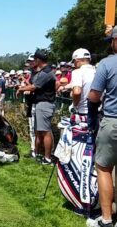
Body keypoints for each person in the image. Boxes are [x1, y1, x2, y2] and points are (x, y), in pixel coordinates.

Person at [87, 26, 117, 227]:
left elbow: (93, 96)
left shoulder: (107, 64)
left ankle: (106, 219)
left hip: (113, 120)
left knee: (104, 168)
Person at [17, 49, 56, 165]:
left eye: (34, 59)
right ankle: (37, 153)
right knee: (39, 131)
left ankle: (47, 158)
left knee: (45, 131)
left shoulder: (46, 72)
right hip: (41, 103)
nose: (33, 61)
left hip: (45, 103)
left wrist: (20, 88)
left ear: (38, 60)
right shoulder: (43, 71)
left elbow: (33, 87)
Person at [69, 48, 95, 116]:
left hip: (82, 112)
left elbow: (77, 92)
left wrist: (74, 106)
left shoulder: (77, 72)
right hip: (97, 112)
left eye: (74, 62)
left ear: (77, 61)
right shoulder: (97, 71)